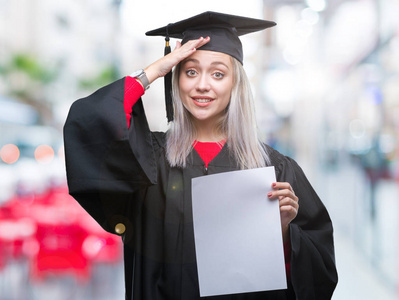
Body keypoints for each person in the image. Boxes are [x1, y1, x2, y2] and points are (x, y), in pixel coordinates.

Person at [64, 11, 338, 300]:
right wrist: (154, 72)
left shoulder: (275, 169)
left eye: (218, 73)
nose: (202, 85)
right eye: (190, 71)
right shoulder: (150, 161)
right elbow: (89, 123)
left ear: (236, 84)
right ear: (176, 79)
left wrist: (282, 234)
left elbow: (320, 277)